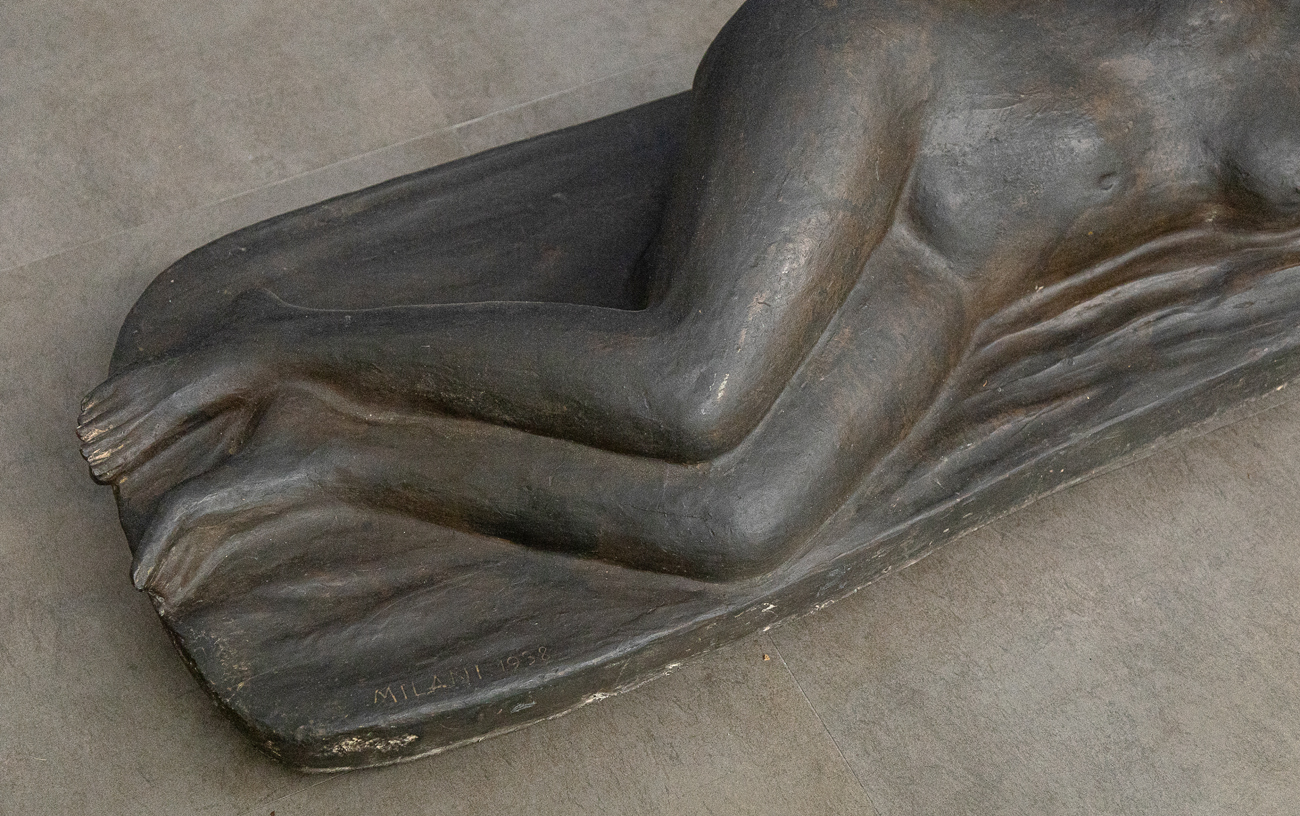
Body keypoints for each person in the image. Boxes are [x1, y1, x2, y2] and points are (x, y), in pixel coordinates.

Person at [78, 0, 1300, 603]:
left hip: (956, 268)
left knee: (738, 525)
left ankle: (332, 460)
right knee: (692, 388)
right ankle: (280, 345)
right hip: (892, 72)